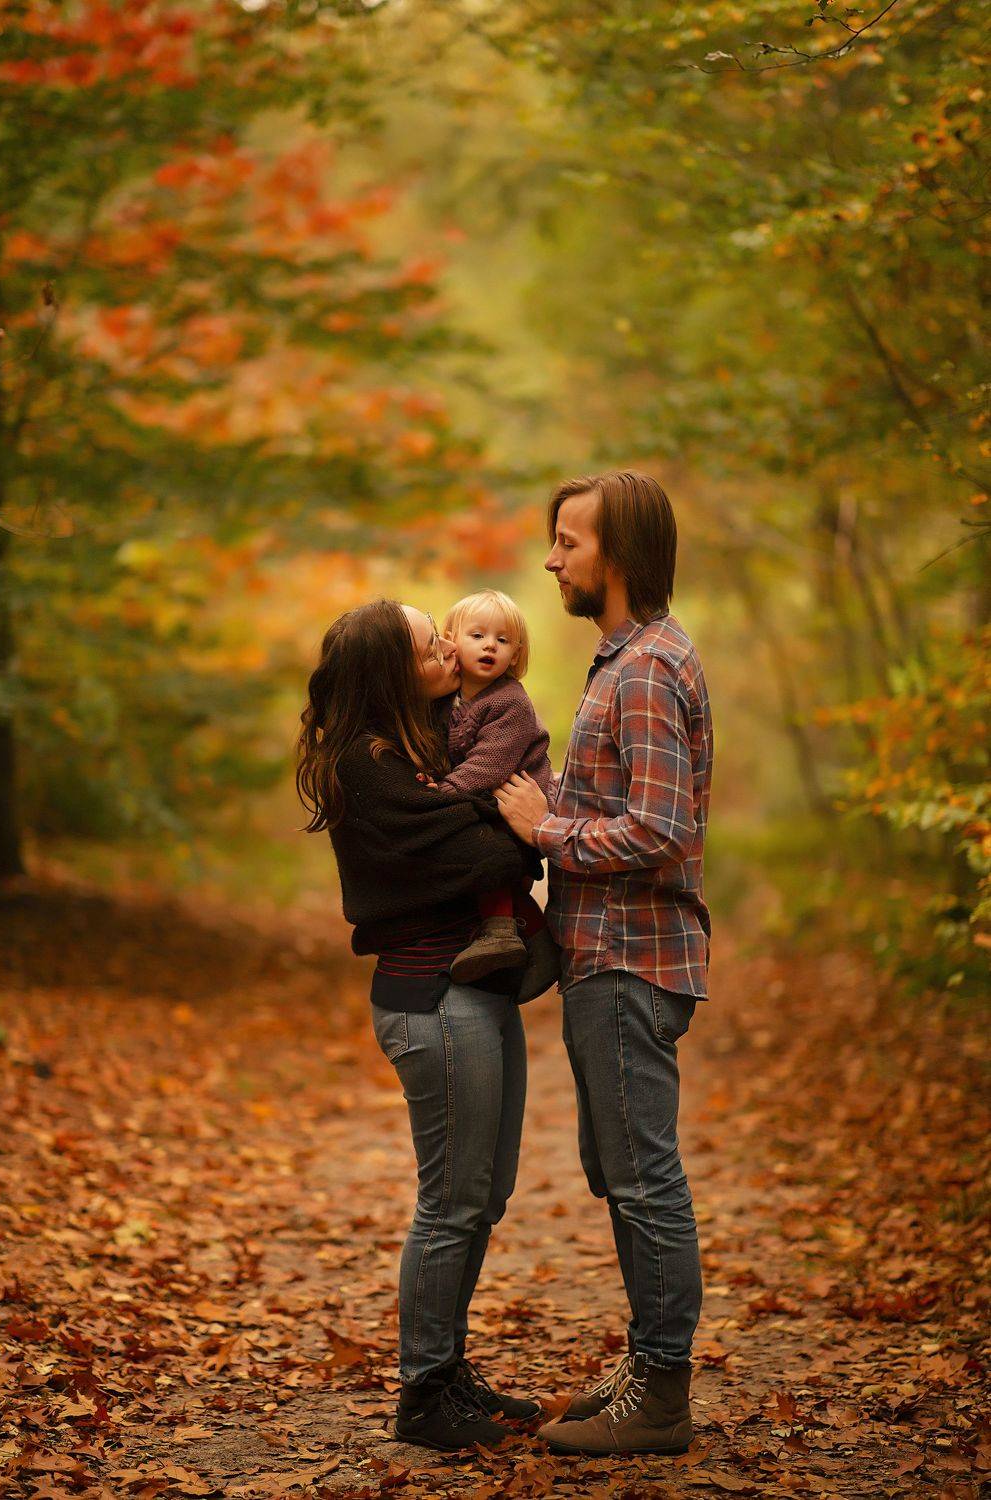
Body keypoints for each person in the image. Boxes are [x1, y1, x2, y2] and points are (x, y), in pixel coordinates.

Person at [494, 471, 713, 1458]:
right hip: (605, 957)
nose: (551, 560)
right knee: (618, 1172)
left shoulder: (649, 671)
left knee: (642, 1179)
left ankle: (662, 1395)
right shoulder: (622, 660)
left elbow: (661, 829)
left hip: (631, 958)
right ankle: (646, 1364)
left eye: (568, 542)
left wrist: (547, 833)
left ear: (616, 554)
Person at [296, 598, 541, 1452]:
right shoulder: (365, 763)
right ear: (389, 673)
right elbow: (499, 852)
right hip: (432, 998)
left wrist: (512, 826)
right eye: (427, 643)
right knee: (452, 1201)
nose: (448, 647)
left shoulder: (428, 745)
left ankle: (447, 1367)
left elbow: (500, 831)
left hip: (476, 991)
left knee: (484, 1195)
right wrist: (515, 829)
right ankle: (424, 1393)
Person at [434, 588, 560, 1001]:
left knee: (483, 853)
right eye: (478, 635)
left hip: (514, 803)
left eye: (503, 640)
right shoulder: (447, 698)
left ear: (515, 653)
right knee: (478, 867)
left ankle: (504, 933)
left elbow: (487, 766)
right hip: (481, 798)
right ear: (450, 640)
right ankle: (530, 943)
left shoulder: (510, 703)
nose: (490, 645)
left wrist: (440, 794)